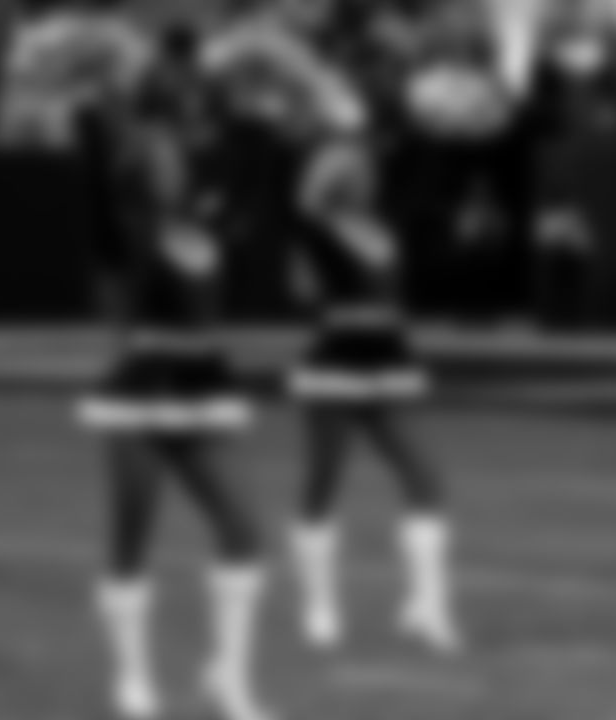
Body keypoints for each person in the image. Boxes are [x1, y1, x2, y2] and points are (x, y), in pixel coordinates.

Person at [77, 65, 276, 720]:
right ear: (138, 168)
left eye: (177, 156)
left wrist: (249, 112)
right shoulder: (124, 231)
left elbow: (247, 184)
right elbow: (95, 182)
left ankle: (229, 679)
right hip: (138, 394)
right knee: (133, 537)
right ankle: (133, 682)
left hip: (203, 391)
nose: (176, 163)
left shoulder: (201, 226)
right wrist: (97, 112)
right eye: (161, 157)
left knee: (244, 531)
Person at [286, 130, 460, 654]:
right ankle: (319, 604)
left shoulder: (381, 228)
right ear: (338, 181)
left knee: (424, 479)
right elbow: (303, 291)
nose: (370, 178)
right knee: (323, 482)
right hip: (336, 362)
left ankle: (426, 605)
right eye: (358, 172)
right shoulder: (313, 230)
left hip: (389, 361)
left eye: (370, 171)